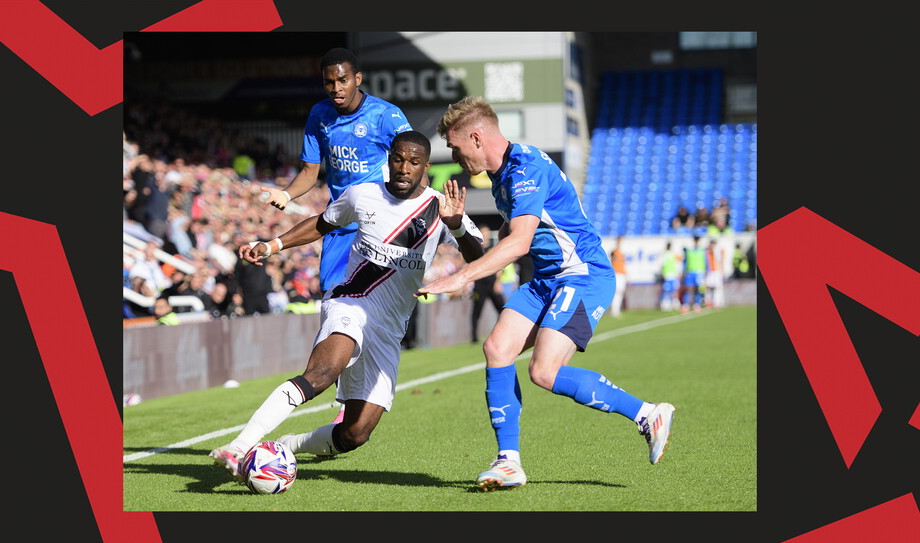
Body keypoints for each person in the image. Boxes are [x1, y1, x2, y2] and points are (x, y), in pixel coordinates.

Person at [418, 97, 676, 491]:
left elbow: (519, 243)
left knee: (543, 371)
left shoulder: (525, 171)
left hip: (582, 275)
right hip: (546, 280)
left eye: (454, 147)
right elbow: (505, 247)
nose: (454, 157)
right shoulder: (504, 174)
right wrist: (456, 228)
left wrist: (461, 277)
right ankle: (508, 463)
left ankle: (647, 414)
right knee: (497, 349)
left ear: (475, 136)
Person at [210, 131, 484, 480]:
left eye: (413, 162)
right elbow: (322, 223)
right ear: (389, 159)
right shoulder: (363, 195)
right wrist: (273, 245)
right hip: (351, 302)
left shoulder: (439, 208)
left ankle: (289, 445)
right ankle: (238, 447)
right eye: (398, 159)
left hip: (388, 329)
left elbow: (479, 260)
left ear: (425, 167)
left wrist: (457, 227)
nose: (403, 168)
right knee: (323, 373)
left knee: (356, 434)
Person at [258, 47, 416, 425]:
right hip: (338, 228)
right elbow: (310, 173)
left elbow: (413, 163)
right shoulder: (319, 116)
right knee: (336, 306)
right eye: (329, 82)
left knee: (368, 308)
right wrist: (286, 193)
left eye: (342, 80)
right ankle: (333, 382)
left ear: (357, 78)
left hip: (378, 226)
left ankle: (349, 391)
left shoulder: (386, 116)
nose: (335, 88)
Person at [470, 225, 506, 344]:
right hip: (479, 284)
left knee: (502, 309)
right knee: (477, 311)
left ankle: (504, 333)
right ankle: (474, 337)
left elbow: (500, 266)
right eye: (483, 233)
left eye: (487, 233)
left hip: (492, 283)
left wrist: (497, 282)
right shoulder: (476, 249)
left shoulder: (493, 248)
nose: (485, 235)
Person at [681, 234, 707, 314]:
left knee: (698, 289)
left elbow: (706, 262)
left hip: (699, 273)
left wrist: (706, 272)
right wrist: (684, 271)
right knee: (688, 289)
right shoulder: (689, 251)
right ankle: (685, 305)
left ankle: (697, 305)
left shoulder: (702, 251)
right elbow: (685, 262)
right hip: (690, 272)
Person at [659, 241, 681, 312]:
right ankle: (666, 304)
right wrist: (662, 273)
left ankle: (674, 303)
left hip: (673, 274)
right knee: (667, 290)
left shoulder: (673, 254)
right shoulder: (664, 255)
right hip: (667, 274)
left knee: (674, 290)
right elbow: (662, 265)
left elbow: (676, 264)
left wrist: (678, 273)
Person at [610, 236, 627, 317]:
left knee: (620, 292)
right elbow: (612, 259)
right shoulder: (615, 252)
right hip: (616, 273)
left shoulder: (621, 252)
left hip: (621, 273)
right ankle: (614, 310)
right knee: (616, 292)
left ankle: (617, 310)